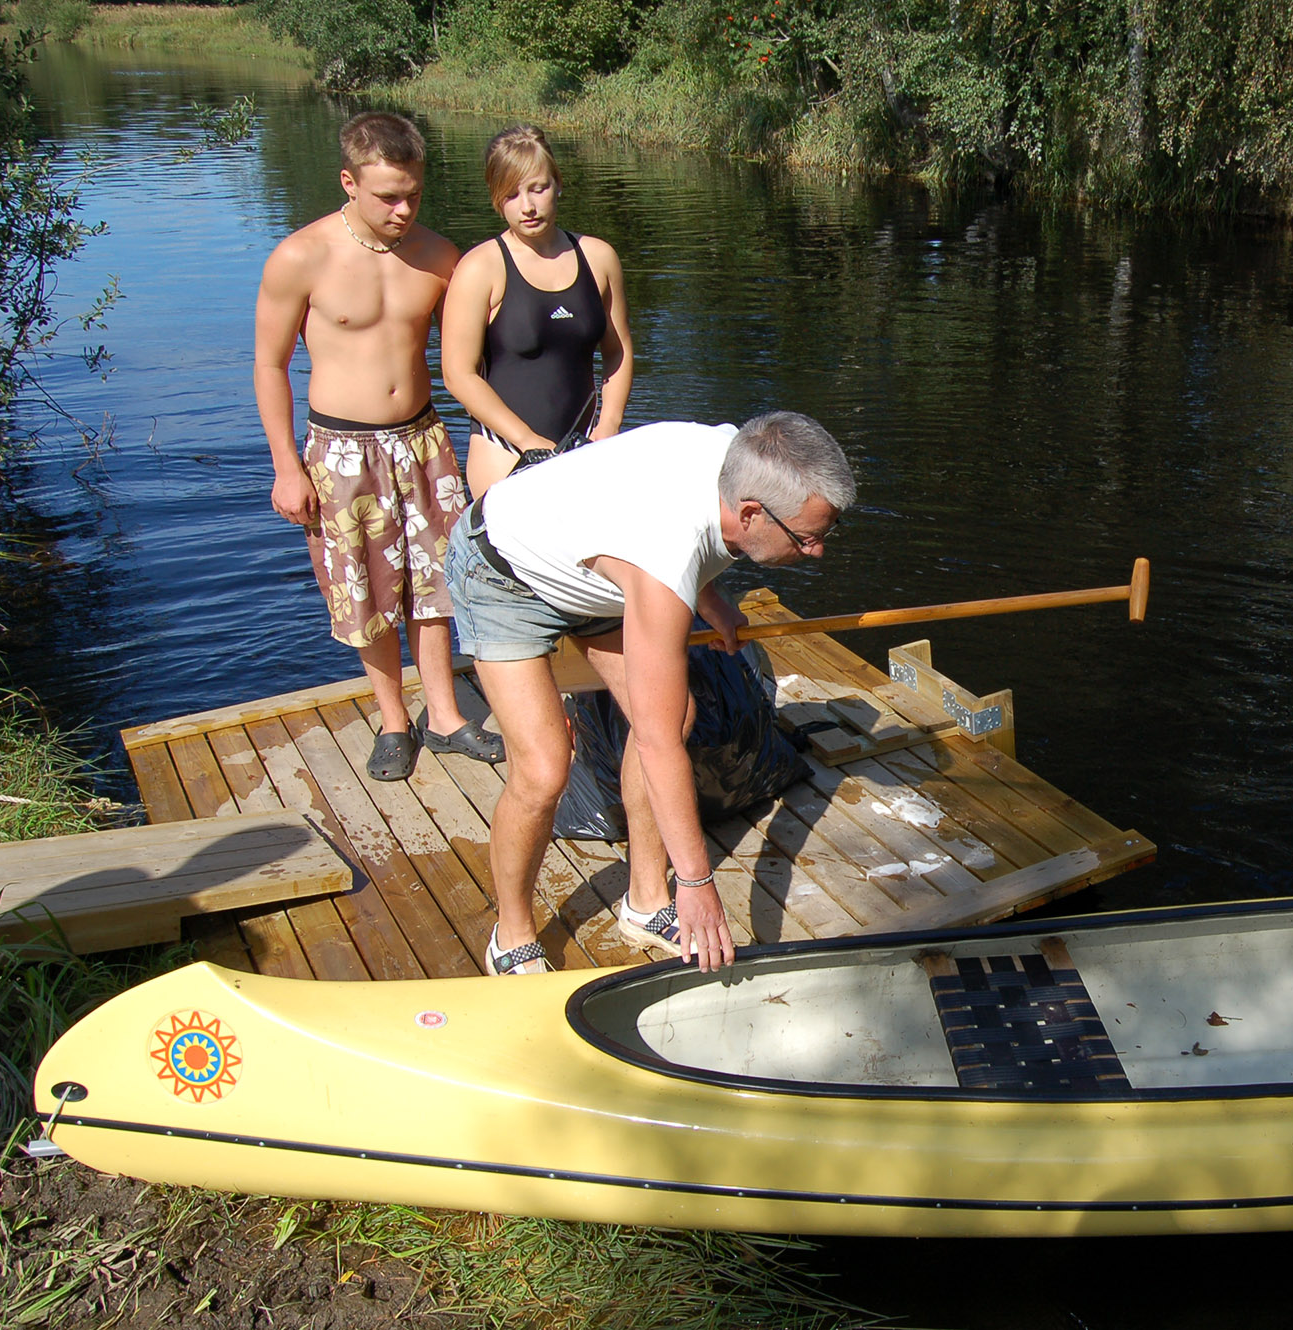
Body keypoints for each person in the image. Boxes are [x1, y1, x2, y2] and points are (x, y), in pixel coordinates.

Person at [447, 411, 853, 975]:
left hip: (596, 574)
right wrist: (696, 881)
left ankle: (644, 901)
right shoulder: (664, 552)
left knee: (674, 713)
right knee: (543, 767)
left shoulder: (744, 455)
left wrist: (711, 599)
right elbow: (658, 745)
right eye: (807, 537)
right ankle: (511, 933)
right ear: (752, 512)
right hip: (503, 572)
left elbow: (678, 528)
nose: (816, 552)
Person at [254, 111, 505, 780]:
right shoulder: (301, 256)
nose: (402, 209)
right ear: (348, 181)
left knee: (437, 585)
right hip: (340, 452)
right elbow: (269, 364)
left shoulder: (440, 256)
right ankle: (395, 720)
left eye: (413, 194)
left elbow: (493, 344)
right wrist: (286, 466)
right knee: (365, 596)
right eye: (388, 195)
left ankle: (446, 716)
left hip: (423, 441)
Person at [442, 125, 633, 501]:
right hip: (506, 455)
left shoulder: (598, 258)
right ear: (496, 199)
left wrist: (607, 428)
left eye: (537, 189)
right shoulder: (480, 268)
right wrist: (530, 443)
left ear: (558, 183)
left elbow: (618, 352)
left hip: (584, 451)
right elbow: (458, 374)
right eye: (510, 195)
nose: (526, 206)